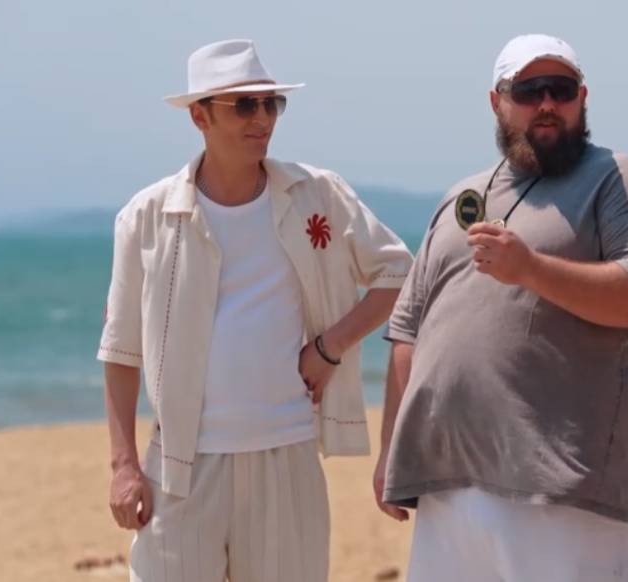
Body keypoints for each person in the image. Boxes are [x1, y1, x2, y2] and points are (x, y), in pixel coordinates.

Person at [374, 34, 628, 581]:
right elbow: (410, 328)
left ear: (582, 97)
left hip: (566, 493)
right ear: (496, 102)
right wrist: (390, 453)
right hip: (448, 486)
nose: (546, 103)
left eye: (561, 89)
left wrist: (531, 269)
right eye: (528, 90)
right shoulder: (461, 196)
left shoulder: (621, 178)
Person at [97, 39, 412, 581]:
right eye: (244, 105)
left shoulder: (317, 194)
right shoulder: (146, 217)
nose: (262, 118)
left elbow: (399, 275)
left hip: (287, 456)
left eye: (271, 104)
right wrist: (123, 465)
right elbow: (122, 349)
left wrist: (329, 347)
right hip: (180, 468)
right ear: (199, 116)